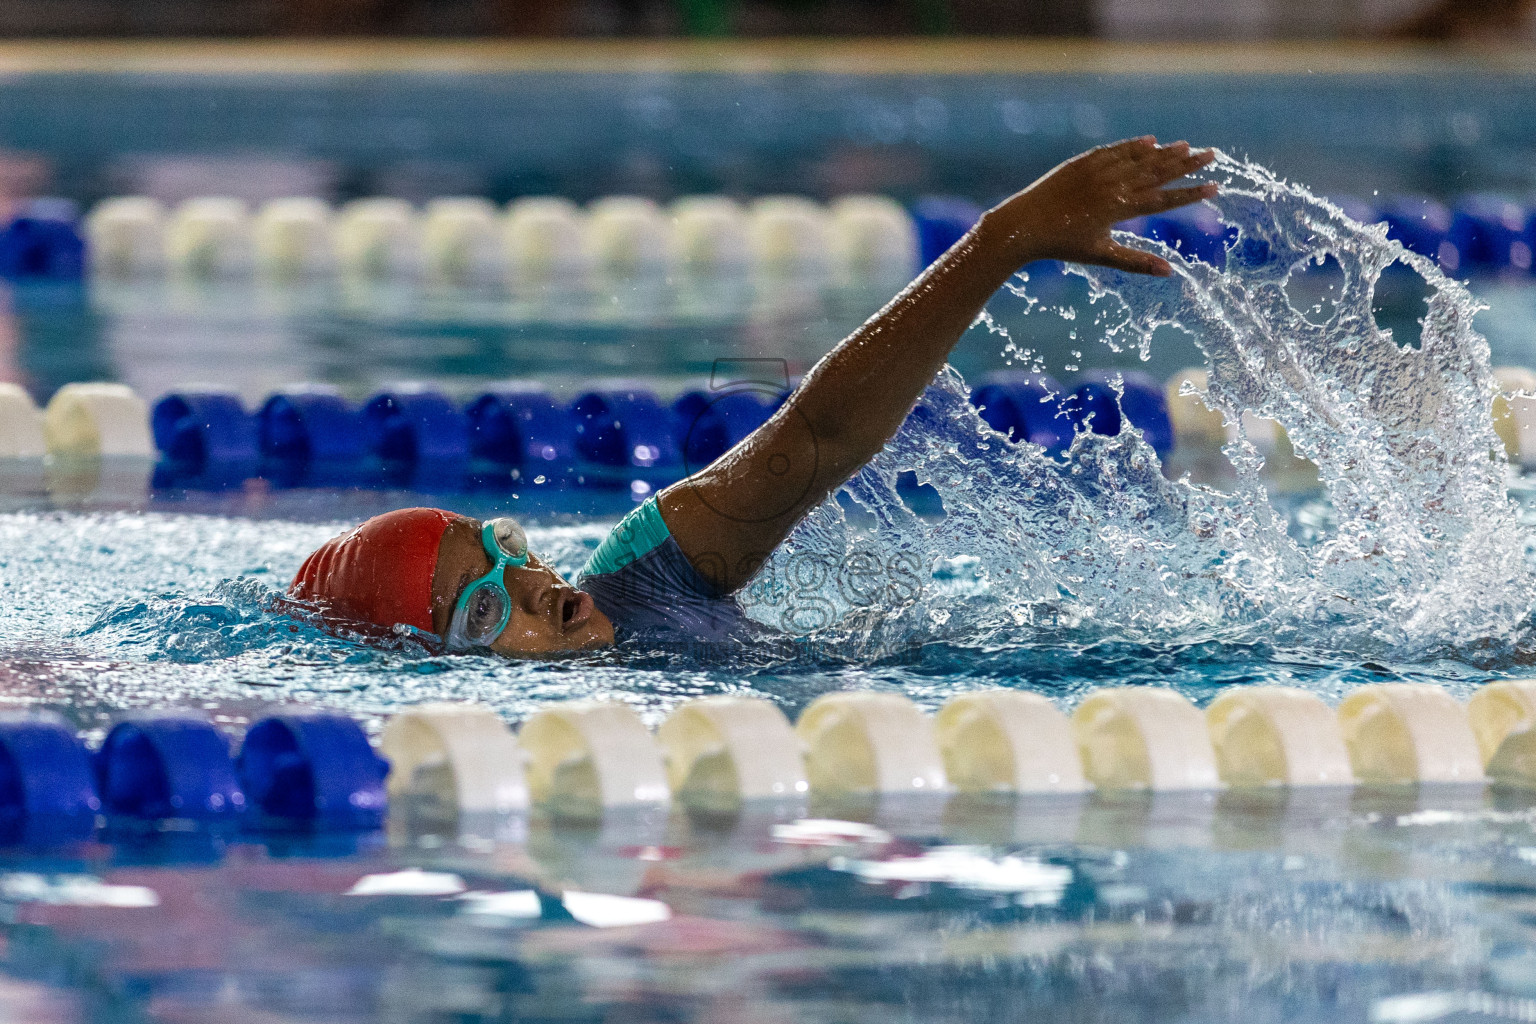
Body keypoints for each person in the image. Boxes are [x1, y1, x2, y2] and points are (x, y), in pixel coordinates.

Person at [289, 137, 1217, 657]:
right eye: (484, 609)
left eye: (508, 551)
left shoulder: (641, 579)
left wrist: (1001, 239)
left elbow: (815, 437)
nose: (538, 587)